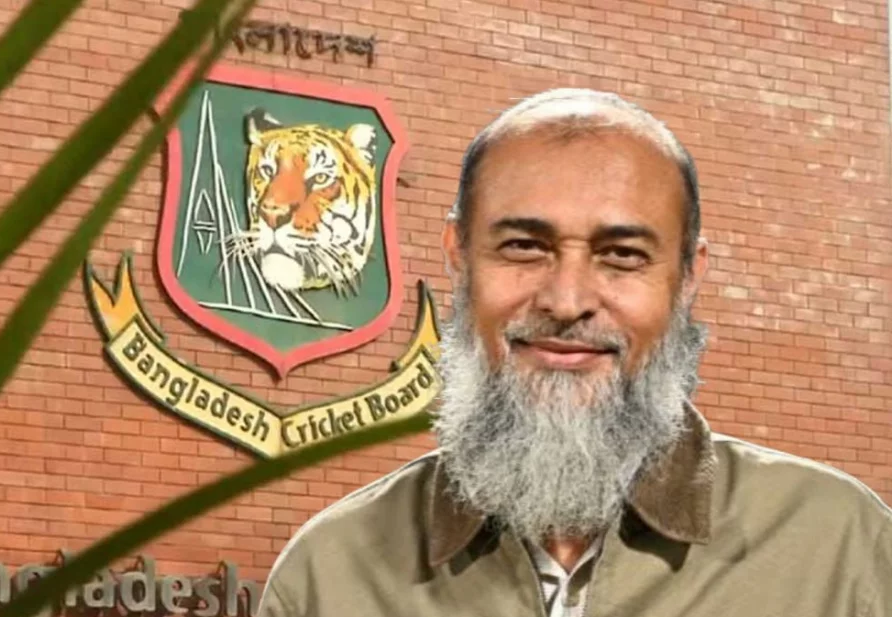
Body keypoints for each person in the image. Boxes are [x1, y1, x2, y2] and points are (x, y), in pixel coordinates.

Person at [254, 89, 892, 617]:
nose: (566, 301)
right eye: (524, 247)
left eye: (623, 256)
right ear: (458, 257)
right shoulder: (330, 574)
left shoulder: (841, 551)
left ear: (687, 278)